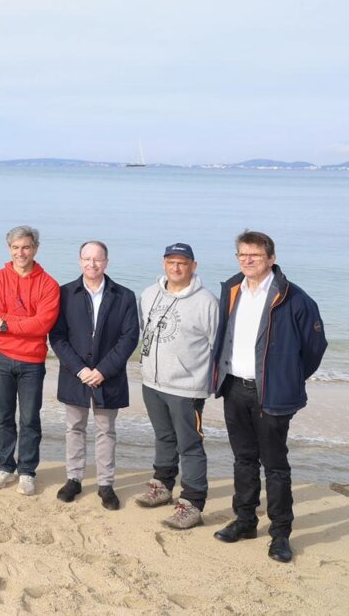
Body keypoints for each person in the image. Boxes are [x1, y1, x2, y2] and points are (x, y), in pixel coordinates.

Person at [210, 231, 326, 564]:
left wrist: (287, 378)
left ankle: (280, 534)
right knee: (243, 459)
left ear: (271, 258)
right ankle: (245, 521)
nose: (247, 260)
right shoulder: (232, 290)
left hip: (271, 394)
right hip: (234, 388)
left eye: (255, 255)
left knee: (275, 466)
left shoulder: (294, 298)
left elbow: (315, 348)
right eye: (242, 255)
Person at [49, 241, 139, 510]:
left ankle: (106, 484)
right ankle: (74, 479)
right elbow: (58, 336)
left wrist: (102, 371)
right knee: (74, 427)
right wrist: (81, 369)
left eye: (97, 259)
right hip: (74, 374)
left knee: (106, 430)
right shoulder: (65, 293)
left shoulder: (124, 296)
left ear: (106, 262)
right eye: (87, 259)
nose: (92, 264)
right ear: (80, 261)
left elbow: (129, 338)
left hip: (108, 376)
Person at [135, 243, 220, 530]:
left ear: (193, 266)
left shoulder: (207, 302)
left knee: (190, 445)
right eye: (171, 261)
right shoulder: (149, 294)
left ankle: (192, 504)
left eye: (183, 262)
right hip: (152, 382)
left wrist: (210, 383)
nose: (176, 267)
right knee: (163, 436)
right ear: (164, 263)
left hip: (186, 388)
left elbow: (217, 345)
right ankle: (162, 486)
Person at [0, 225, 60, 495]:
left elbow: (42, 325)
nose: (21, 253)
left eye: (26, 247)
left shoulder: (48, 284)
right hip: (1, 357)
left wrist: (7, 323)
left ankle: (27, 471)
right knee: (3, 416)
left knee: (29, 419)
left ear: (35, 249)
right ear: (9, 249)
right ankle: (5, 466)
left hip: (32, 362)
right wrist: (20, 322)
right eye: (15, 248)